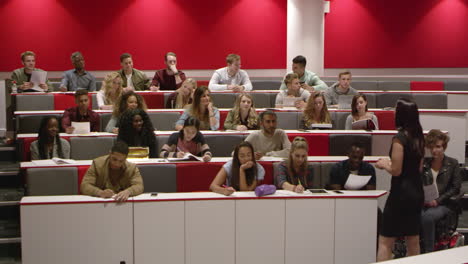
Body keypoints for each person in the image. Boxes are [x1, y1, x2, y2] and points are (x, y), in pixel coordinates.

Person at [376, 98, 425, 261]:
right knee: (413, 240)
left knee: (385, 241)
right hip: (416, 192)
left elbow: (396, 171)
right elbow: (418, 167)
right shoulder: (419, 137)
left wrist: (384, 164)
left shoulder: (399, 139)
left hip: (400, 194)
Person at [421, 129, 462, 253]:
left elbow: (455, 188)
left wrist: (437, 201)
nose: (435, 150)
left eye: (438, 146)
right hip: (425, 202)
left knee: (427, 217)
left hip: (445, 203)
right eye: (432, 147)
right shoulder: (424, 164)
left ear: (444, 147)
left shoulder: (452, 163)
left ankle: (428, 252)